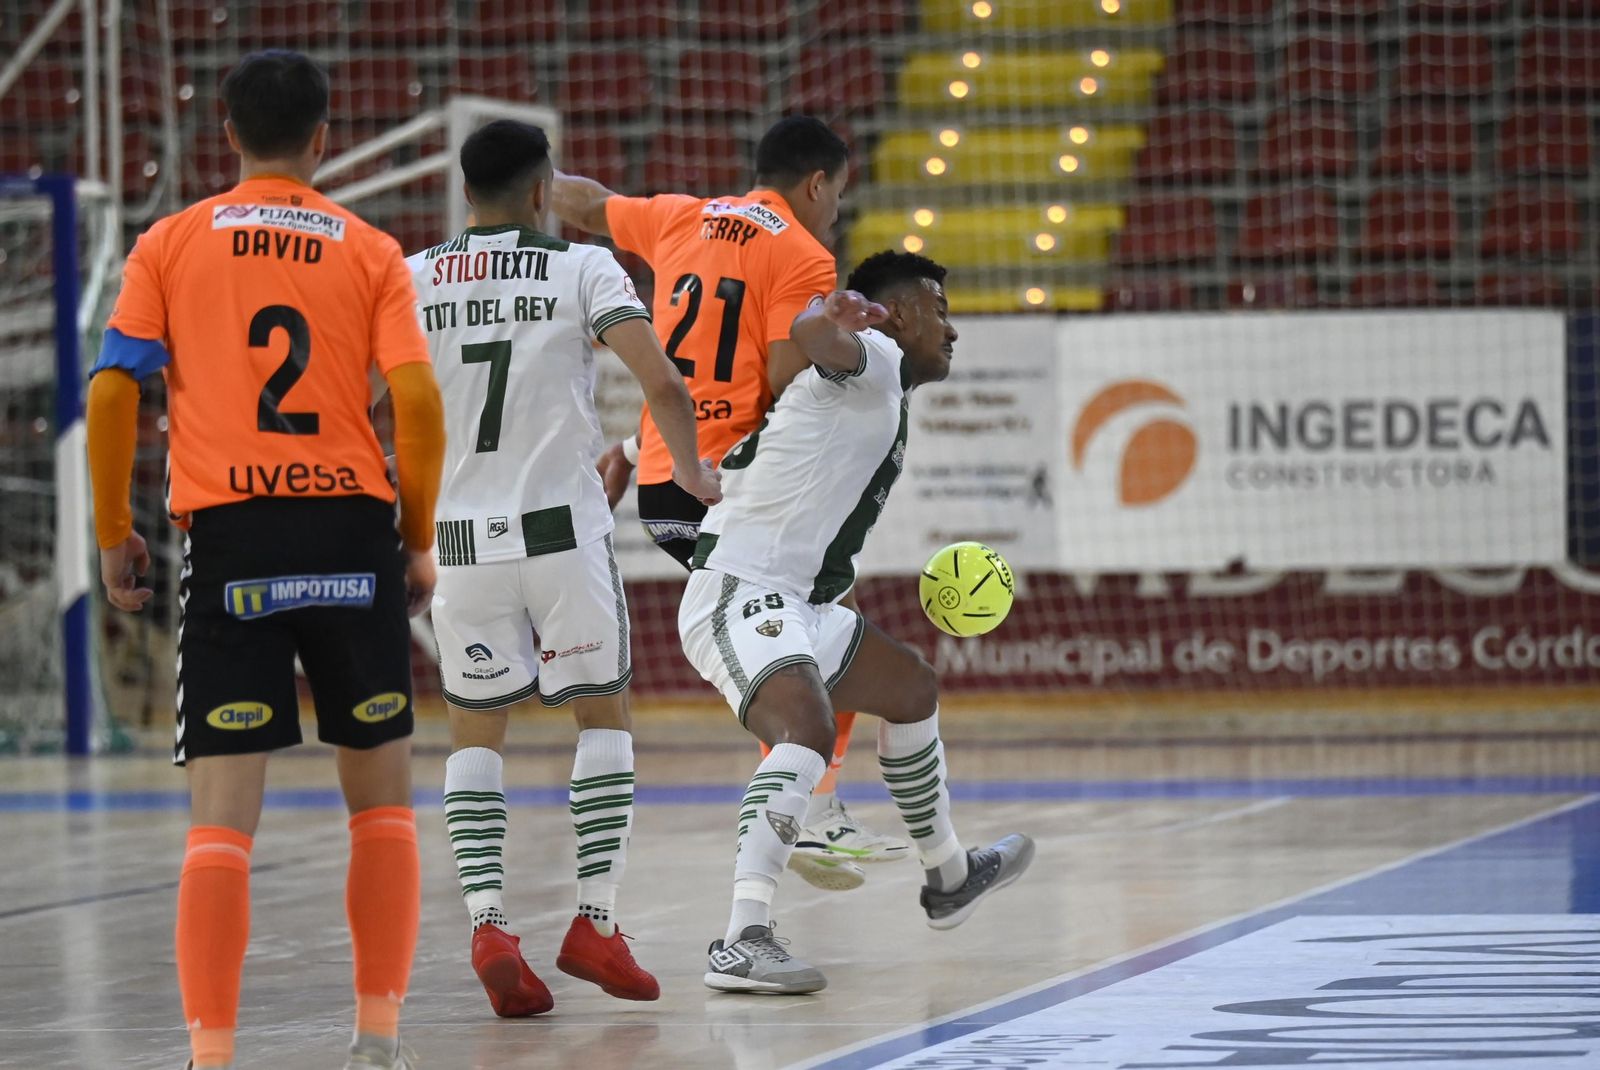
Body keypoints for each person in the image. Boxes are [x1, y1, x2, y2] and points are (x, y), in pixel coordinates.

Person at [86, 51, 443, 1069]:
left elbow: (115, 391)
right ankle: (376, 1037)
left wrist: (116, 528)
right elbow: (414, 403)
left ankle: (213, 1054)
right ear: (323, 140)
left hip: (232, 537)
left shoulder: (171, 239)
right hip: (349, 535)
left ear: (229, 136)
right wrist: (414, 540)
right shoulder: (370, 247)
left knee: (221, 826)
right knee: (380, 806)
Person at [412, 119, 721, 1017]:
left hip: (461, 545)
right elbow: (662, 382)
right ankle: (595, 919)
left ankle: (489, 923)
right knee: (604, 715)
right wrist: (693, 471)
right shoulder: (582, 267)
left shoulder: (412, 276)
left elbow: (370, 399)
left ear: (465, 194)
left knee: (476, 730)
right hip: (561, 534)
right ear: (545, 190)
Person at [551, 117, 908, 890]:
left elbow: (586, 203)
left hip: (663, 485)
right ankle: (812, 814)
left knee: (806, 614)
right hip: (724, 486)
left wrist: (522, 188)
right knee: (810, 613)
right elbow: (782, 382)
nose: (836, 213)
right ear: (816, 184)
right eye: (839, 196)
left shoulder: (682, 214)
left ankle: (816, 807)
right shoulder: (803, 253)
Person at [679, 252, 1035, 994]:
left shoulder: (886, 389)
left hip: (800, 604)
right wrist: (825, 319)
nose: (953, 330)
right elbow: (821, 339)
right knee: (804, 730)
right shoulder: (872, 356)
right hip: (741, 590)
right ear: (897, 314)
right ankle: (742, 938)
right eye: (940, 309)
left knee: (911, 688)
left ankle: (949, 875)